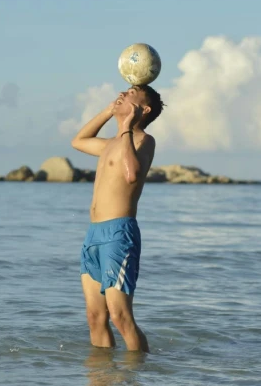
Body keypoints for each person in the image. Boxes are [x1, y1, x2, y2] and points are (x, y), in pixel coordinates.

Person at [71, 84, 164, 353]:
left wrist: (125, 124)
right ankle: (103, 378)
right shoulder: (110, 144)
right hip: (94, 235)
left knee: (120, 317)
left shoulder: (143, 141)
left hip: (118, 234)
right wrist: (110, 111)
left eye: (130, 93)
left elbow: (132, 173)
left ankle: (136, 375)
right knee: (95, 317)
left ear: (143, 109)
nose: (122, 94)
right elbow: (78, 141)